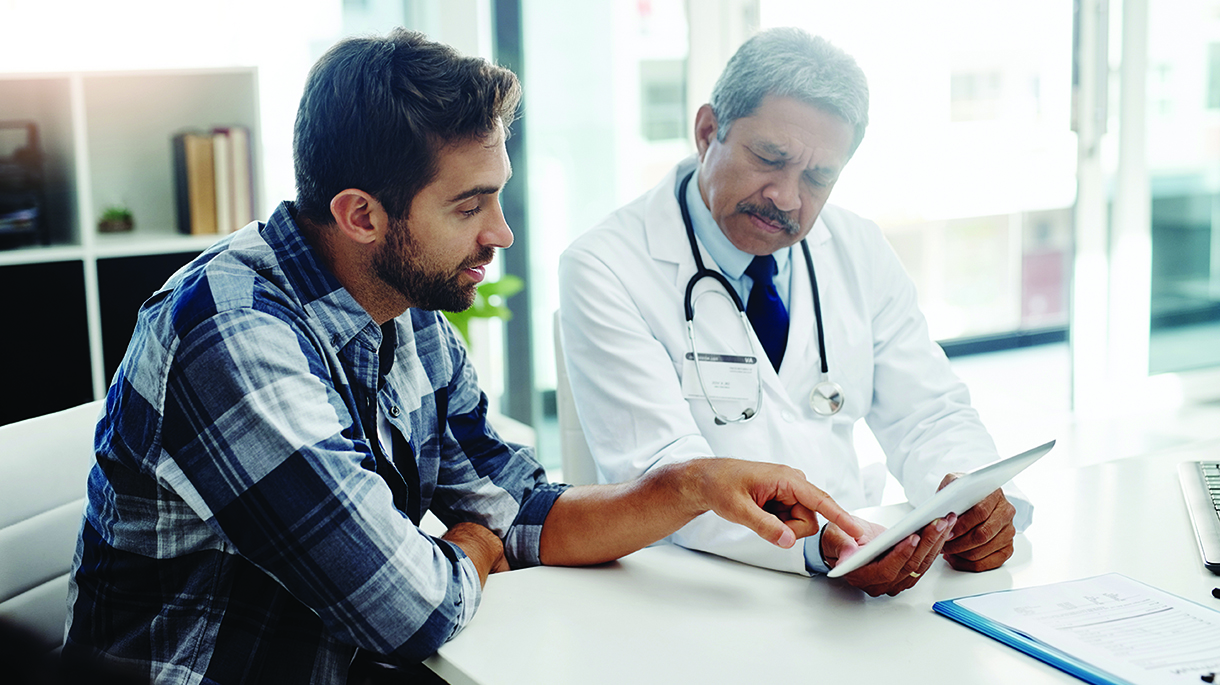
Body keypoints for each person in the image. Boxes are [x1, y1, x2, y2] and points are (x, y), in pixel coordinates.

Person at [62, 29, 864, 684]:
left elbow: (520, 510)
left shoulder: (403, 309)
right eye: (469, 204)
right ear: (361, 215)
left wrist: (696, 484)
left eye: (498, 194)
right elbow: (405, 608)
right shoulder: (230, 335)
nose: (501, 232)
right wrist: (472, 547)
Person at [558, 27, 1033, 597]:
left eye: (817, 177)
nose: (786, 197)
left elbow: (928, 414)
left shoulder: (858, 247)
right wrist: (814, 547)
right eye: (769, 159)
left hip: (857, 576)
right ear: (708, 132)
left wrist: (966, 502)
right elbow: (666, 479)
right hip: (691, 592)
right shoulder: (605, 265)